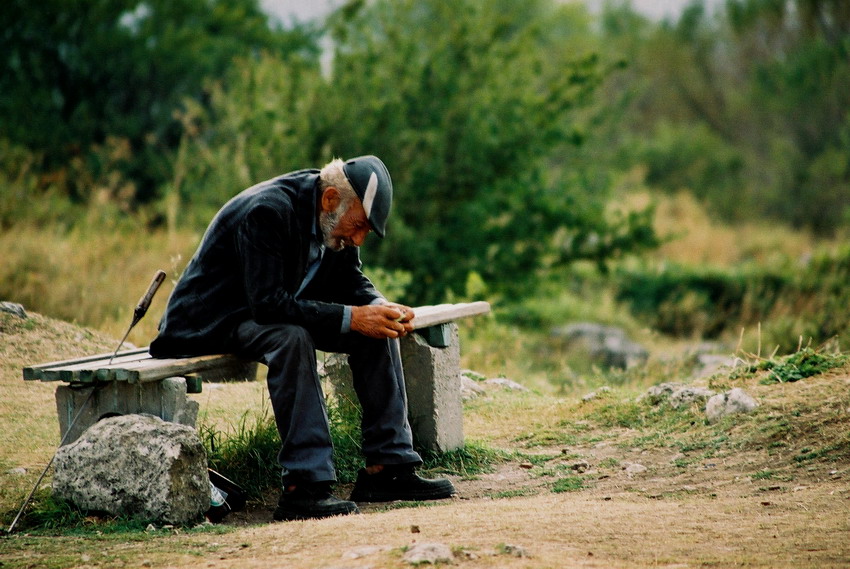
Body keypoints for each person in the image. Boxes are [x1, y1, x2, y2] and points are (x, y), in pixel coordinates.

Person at [150, 155, 455, 521]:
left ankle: (388, 468)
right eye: (358, 226)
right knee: (291, 338)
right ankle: (304, 487)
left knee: (378, 328)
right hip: (207, 323)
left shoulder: (334, 216)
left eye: (365, 233)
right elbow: (267, 305)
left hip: (259, 313)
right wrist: (352, 317)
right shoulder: (269, 211)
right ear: (329, 200)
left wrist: (378, 306)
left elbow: (349, 282)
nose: (358, 238)